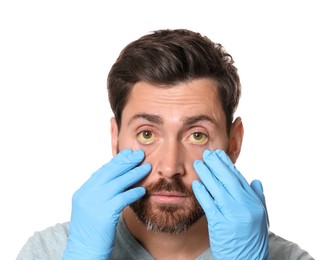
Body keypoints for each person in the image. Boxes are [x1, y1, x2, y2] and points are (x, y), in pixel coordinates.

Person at [17, 29, 314, 260]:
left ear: (233, 143)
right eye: (147, 134)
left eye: (197, 135)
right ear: (115, 138)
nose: (170, 167)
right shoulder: (49, 251)